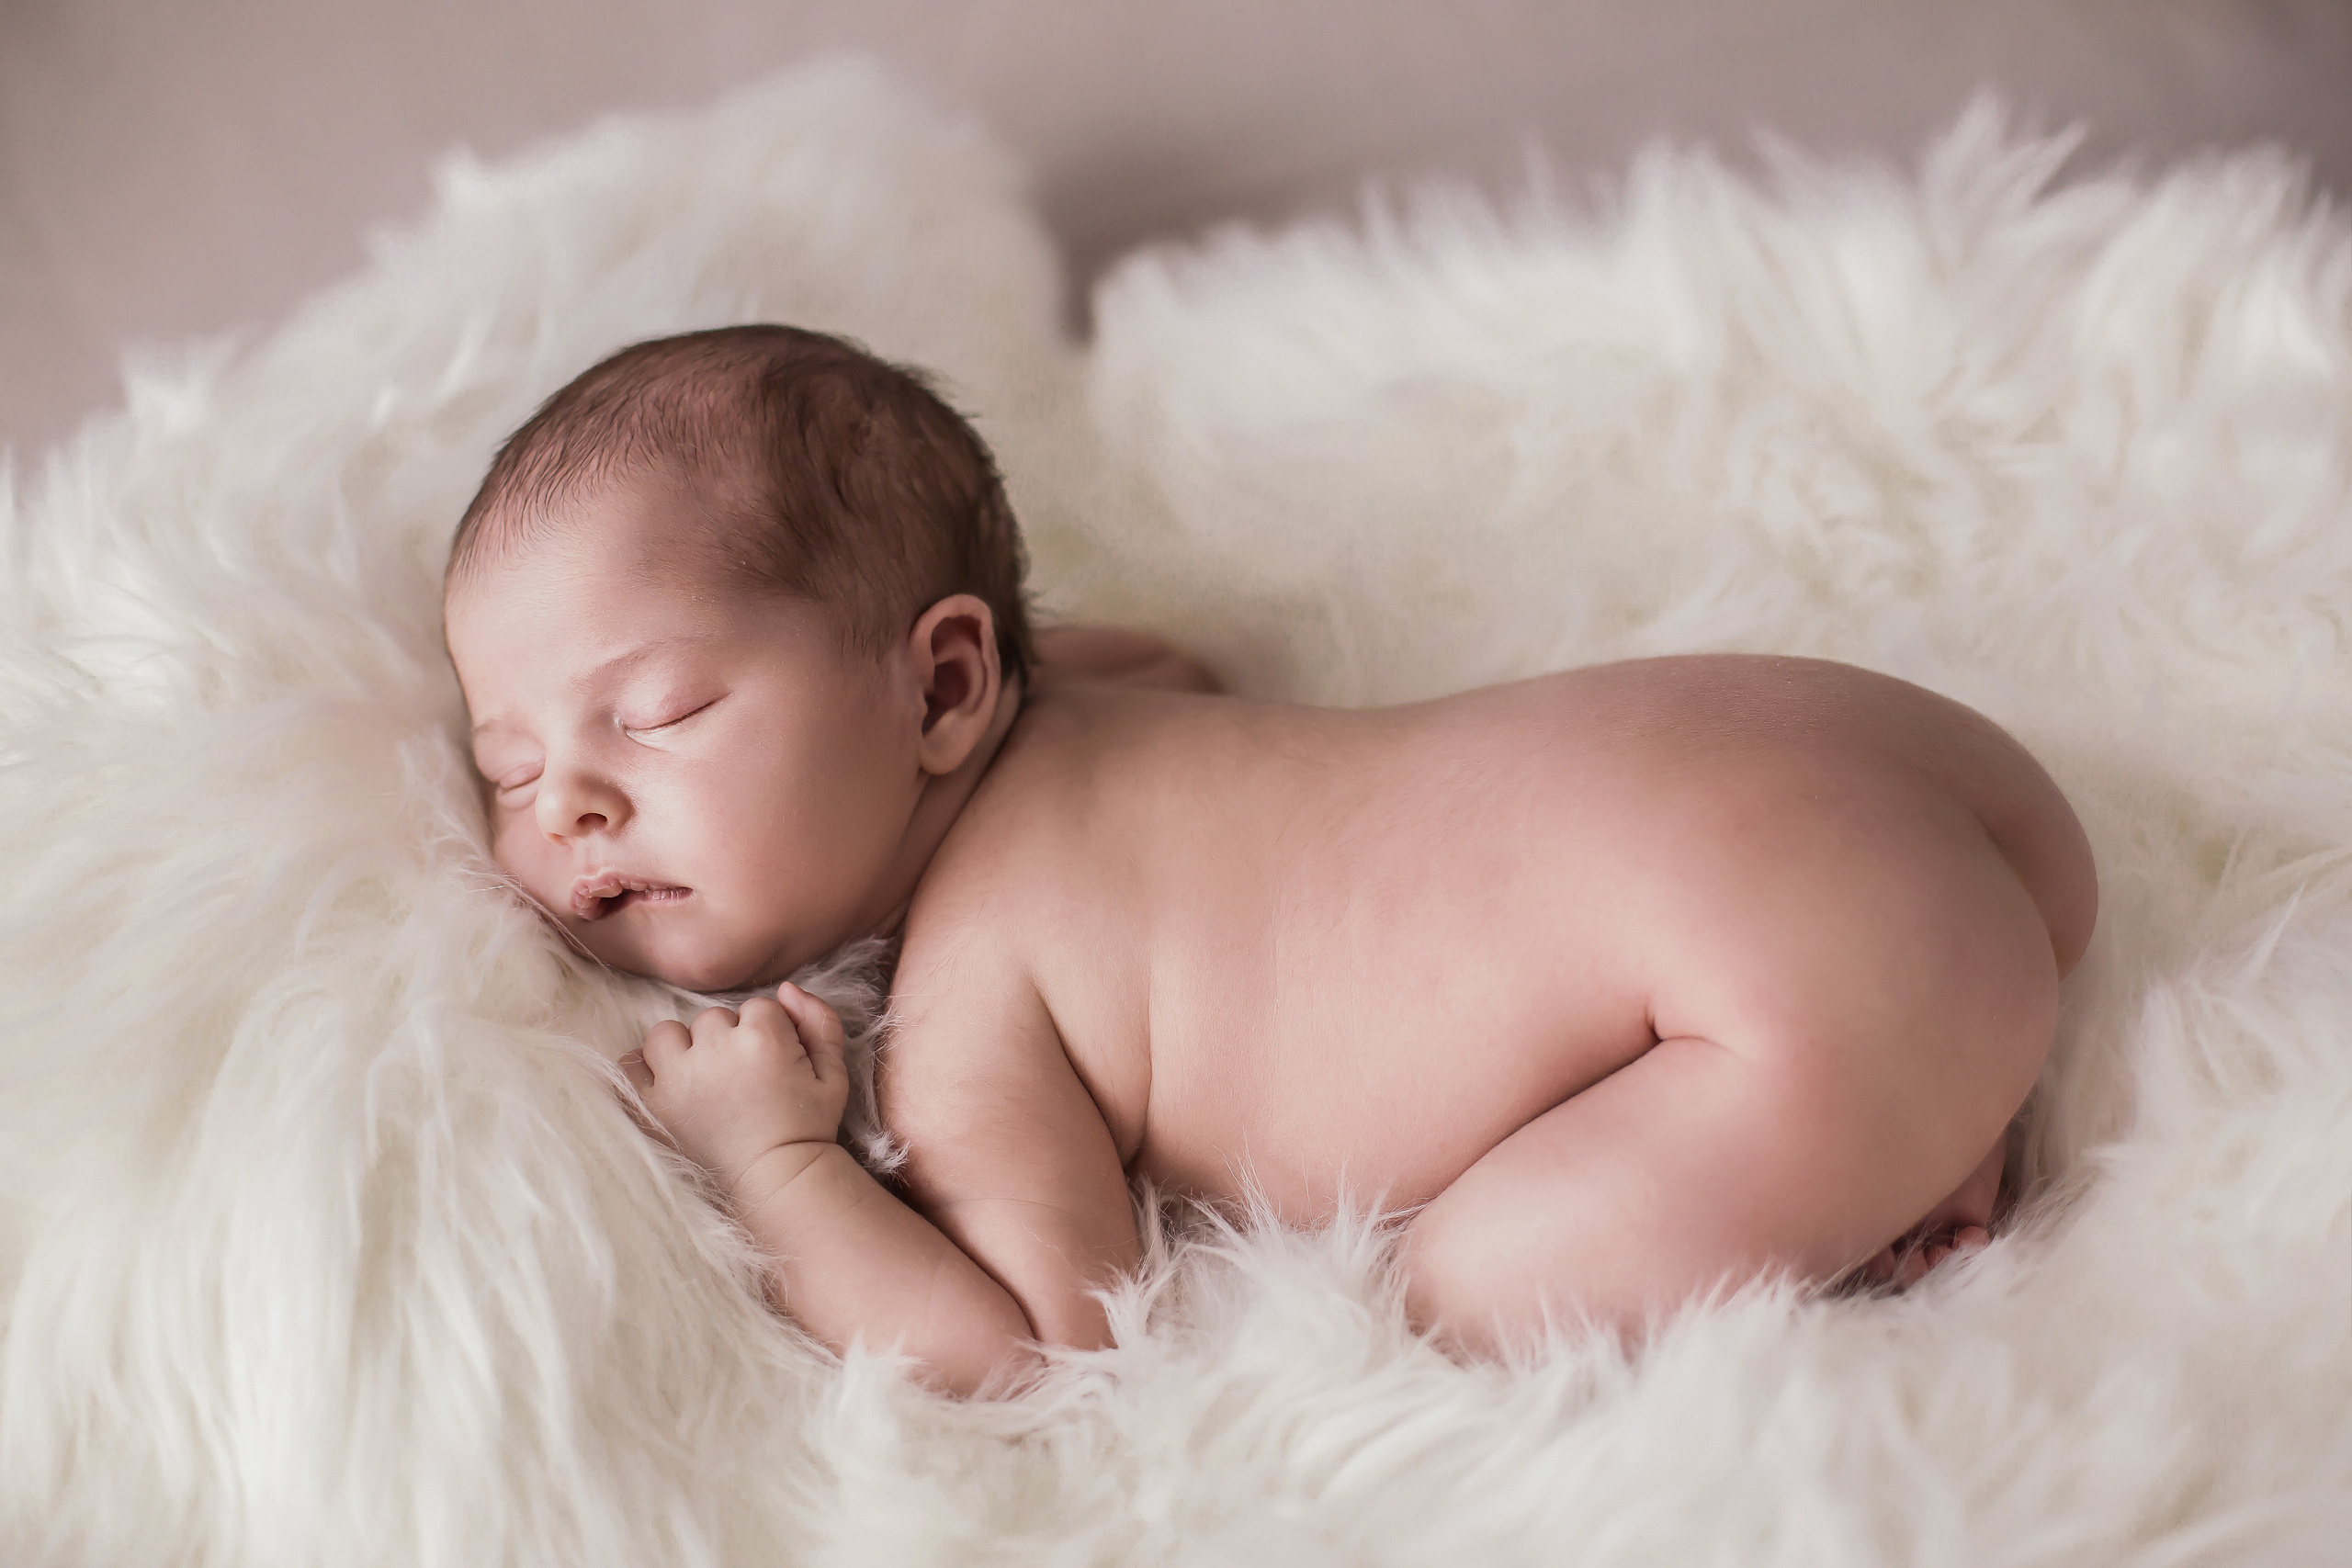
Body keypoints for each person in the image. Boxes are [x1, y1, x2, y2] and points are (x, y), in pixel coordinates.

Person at [443, 325, 2096, 1396]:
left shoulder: (975, 1012)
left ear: (945, 684)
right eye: (508, 767)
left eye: (652, 717)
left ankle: (1901, 1131)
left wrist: (770, 1163)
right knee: (1841, 959)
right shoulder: (1097, 699)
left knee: (1464, 1299)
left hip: (1791, 979)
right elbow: (1166, 660)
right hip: (1907, 768)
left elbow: (1026, 1350)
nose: (566, 805)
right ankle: (1926, 1078)